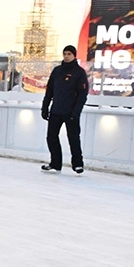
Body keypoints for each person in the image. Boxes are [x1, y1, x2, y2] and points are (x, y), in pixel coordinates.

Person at [41, 45, 89, 174]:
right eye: (65, 54)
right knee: (51, 137)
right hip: (56, 110)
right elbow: (49, 91)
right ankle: (55, 163)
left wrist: (76, 112)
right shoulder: (57, 71)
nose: (66, 56)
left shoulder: (79, 72)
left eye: (69, 54)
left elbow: (82, 95)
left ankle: (78, 164)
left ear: (74, 55)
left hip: (71, 112)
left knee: (73, 138)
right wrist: (45, 107)